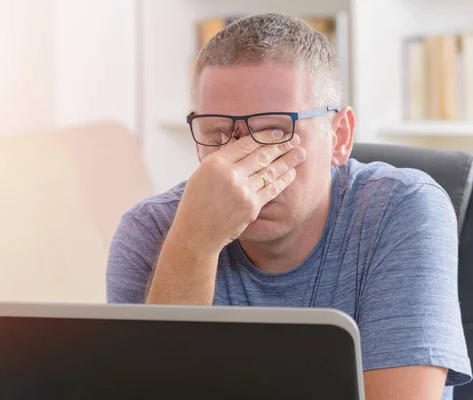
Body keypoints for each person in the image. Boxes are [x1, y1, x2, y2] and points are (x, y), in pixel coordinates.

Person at [106, 12, 471, 399]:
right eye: (217, 133)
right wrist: (194, 243)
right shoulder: (148, 231)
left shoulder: (403, 209)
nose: (241, 164)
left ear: (339, 136)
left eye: (275, 131)